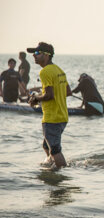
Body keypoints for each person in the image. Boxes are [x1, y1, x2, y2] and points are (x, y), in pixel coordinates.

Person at [27, 42, 72, 170]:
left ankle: (61, 174)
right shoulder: (59, 70)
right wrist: (43, 95)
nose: (34, 56)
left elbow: (49, 95)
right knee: (46, 146)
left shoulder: (44, 72)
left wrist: (36, 97)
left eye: (37, 53)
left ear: (47, 55)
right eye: (33, 53)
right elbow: (68, 92)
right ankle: (52, 165)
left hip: (52, 117)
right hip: (62, 116)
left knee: (55, 150)